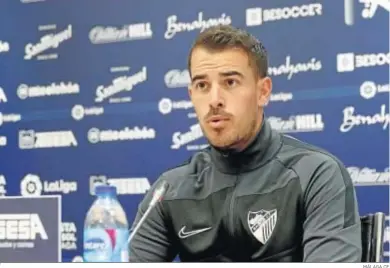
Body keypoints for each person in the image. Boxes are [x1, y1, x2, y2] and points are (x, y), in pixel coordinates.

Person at [128, 25, 362, 262]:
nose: (214, 100)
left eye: (230, 82)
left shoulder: (316, 176)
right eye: (202, 86)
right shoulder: (168, 191)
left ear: (263, 91)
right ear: (191, 95)